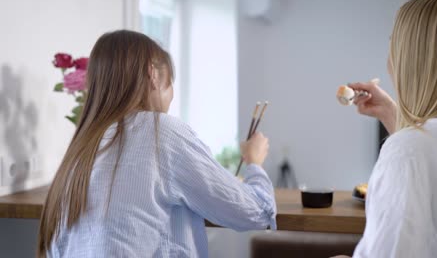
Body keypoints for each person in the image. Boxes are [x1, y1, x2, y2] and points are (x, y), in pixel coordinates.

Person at [37, 30, 276, 258]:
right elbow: (255, 213)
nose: (171, 96)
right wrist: (254, 162)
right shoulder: (162, 133)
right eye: (170, 83)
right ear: (153, 75)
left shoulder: (81, 148)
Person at [335, 0, 437, 257]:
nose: (389, 63)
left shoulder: (409, 152)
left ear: (414, 62)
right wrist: (394, 116)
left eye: (393, 48)